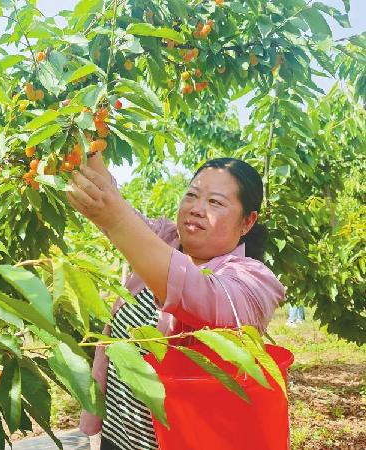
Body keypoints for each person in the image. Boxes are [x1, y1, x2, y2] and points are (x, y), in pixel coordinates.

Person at [66, 153, 286, 450]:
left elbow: (201, 294)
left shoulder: (254, 282)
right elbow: (109, 199)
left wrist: (115, 218)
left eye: (215, 202)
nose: (197, 208)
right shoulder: (165, 240)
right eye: (192, 195)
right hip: (117, 436)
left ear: (247, 222)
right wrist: (87, 141)